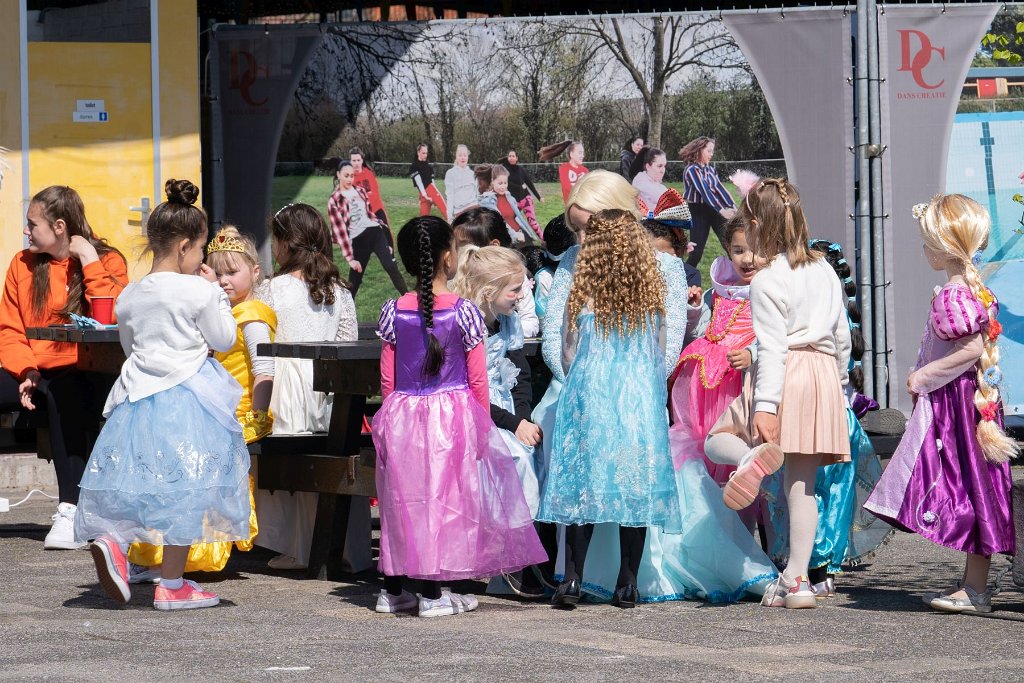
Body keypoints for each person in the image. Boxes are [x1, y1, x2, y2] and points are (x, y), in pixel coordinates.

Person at [581, 217, 778, 605]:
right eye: (737, 250)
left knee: (754, 482)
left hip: (742, 389)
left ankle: (767, 554)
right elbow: (701, 327)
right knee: (709, 473)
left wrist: (753, 355)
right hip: (705, 389)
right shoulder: (720, 286)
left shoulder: (772, 289)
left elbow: (777, 337)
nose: (745, 258)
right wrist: (692, 313)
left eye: (753, 250)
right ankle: (735, 551)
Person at [74, 179, 249, 611]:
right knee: (188, 489)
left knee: (137, 484)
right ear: (187, 246)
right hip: (189, 399)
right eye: (202, 250)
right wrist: (217, 296)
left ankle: (115, 542)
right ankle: (171, 583)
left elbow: (130, 347)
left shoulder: (130, 294)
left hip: (138, 398)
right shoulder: (199, 289)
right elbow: (224, 339)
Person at [371, 216, 546, 618]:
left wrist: (389, 421)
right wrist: (481, 428)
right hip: (450, 416)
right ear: (449, 256)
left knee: (403, 500)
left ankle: (393, 588)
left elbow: (387, 378)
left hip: (402, 412)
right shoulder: (465, 312)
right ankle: (433, 593)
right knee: (445, 501)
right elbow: (478, 380)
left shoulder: (392, 310)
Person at [704, 178, 851, 610]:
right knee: (803, 484)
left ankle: (792, 574)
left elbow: (771, 347)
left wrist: (765, 406)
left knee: (784, 476)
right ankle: (799, 579)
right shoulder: (824, 268)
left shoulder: (768, 281)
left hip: (790, 374)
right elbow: (842, 336)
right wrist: (838, 389)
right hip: (823, 374)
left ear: (754, 223)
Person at [865, 195, 1017, 614]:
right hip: (972, 403)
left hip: (956, 406)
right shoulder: (972, 289)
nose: (923, 249)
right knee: (975, 486)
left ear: (946, 246)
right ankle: (975, 584)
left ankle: (976, 588)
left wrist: (922, 378)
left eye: (927, 241)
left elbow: (969, 349)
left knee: (964, 483)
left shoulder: (953, 294)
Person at [537, 209, 682, 609]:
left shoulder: (583, 293)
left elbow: (567, 352)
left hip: (591, 396)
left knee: (581, 487)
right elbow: (659, 351)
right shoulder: (648, 295)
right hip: (636, 404)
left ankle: (572, 579)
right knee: (634, 488)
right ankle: (628, 582)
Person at [126, 226, 275, 577]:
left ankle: (185, 555)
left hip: (235, 413)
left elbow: (264, 369)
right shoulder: (223, 310)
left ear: (254, 272)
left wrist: (258, 414)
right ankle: (161, 554)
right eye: (217, 272)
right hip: (212, 408)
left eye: (232, 272)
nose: (224, 281)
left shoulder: (251, 314)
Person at [0, 185, 127, 550]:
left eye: (32, 224)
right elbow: (9, 329)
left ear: (59, 226)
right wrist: (26, 370)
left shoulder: (107, 260)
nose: (26, 231)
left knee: (63, 394)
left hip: (85, 369)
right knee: (51, 387)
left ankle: (70, 508)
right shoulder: (22, 264)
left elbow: (113, 317)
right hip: (31, 369)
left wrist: (88, 259)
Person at [764, 239, 891, 598]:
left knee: (811, 486)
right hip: (830, 402)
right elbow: (842, 348)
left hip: (808, 397)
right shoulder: (826, 297)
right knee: (819, 488)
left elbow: (779, 347)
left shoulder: (779, 283)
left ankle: (809, 569)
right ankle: (810, 570)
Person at [253, 203, 360, 572]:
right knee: (326, 461)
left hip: (285, 386)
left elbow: (258, 340)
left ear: (285, 243)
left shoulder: (270, 289)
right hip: (327, 390)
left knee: (291, 470)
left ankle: (295, 545)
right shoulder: (340, 291)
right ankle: (337, 545)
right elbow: (348, 340)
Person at [452, 245, 548, 598]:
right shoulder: (466, 324)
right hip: (474, 414)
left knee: (530, 456)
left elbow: (520, 375)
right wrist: (511, 424)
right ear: (489, 292)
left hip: (505, 411)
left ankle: (518, 559)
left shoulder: (507, 323)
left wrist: (522, 418)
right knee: (508, 463)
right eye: (516, 290)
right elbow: (468, 390)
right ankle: (501, 560)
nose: (522, 297)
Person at [451, 208, 539, 339]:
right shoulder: (453, 277)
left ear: (494, 245)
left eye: (464, 246)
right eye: (454, 245)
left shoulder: (515, 279)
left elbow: (530, 322)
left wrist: (505, 333)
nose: (456, 252)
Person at [327, 160, 407, 299]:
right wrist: (350, 259)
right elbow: (340, 234)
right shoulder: (334, 200)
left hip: (375, 234)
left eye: (352, 176)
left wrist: (386, 241)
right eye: (346, 175)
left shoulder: (360, 191)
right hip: (358, 241)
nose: (350, 179)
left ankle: (409, 300)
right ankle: (345, 313)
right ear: (338, 175)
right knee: (355, 280)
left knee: (391, 267)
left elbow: (370, 214)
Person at [680, 137, 737, 268]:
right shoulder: (691, 170)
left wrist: (733, 207)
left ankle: (739, 277)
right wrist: (722, 210)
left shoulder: (710, 170)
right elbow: (705, 192)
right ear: (699, 150)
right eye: (709, 151)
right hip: (698, 211)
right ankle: (684, 278)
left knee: (730, 244)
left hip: (714, 209)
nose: (712, 154)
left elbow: (719, 189)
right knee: (696, 253)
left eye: (712, 151)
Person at [476, 164, 540, 244]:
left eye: (505, 183)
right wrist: (515, 236)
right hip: (506, 239)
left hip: (521, 235)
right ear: (492, 182)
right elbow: (499, 224)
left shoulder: (510, 198)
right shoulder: (487, 202)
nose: (503, 186)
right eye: (500, 183)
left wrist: (525, 234)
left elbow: (518, 219)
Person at [500, 149, 543, 236]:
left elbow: (529, 184)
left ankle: (544, 240)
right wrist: (520, 186)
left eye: (513, 156)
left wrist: (539, 197)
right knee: (510, 221)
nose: (511, 158)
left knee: (532, 222)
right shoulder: (504, 170)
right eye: (510, 156)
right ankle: (515, 239)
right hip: (514, 202)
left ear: (517, 158)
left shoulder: (521, 170)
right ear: (508, 158)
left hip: (525, 199)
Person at [349, 146, 390, 232]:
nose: (356, 163)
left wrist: (361, 197)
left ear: (362, 160)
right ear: (350, 161)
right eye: (354, 160)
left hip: (377, 208)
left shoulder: (369, 174)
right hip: (361, 214)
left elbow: (374, 194)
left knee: (386, 234)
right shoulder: (349, 178)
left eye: (358, 160)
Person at [409, 143, 447, 218]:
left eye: (426, 153)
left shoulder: (429, 167)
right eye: (423, 153)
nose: (425, 155)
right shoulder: (414, 166)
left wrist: (436, 197)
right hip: (424, 193)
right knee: (423, 219)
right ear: (418, 152)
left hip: (432, 191)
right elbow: (419, 182)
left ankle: (456, 227)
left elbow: (433, 183)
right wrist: (425, 195)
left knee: (446, 212)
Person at [444, 144, 477, 221]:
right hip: (459, 211)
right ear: (456, 156)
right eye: (460, 155)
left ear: (468, 157)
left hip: (473, 207)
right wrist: (449, 216)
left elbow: (477, 193)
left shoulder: (472, 173)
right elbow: (450, 195)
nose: (463, 158)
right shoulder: (450, 173)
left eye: (465, 155)